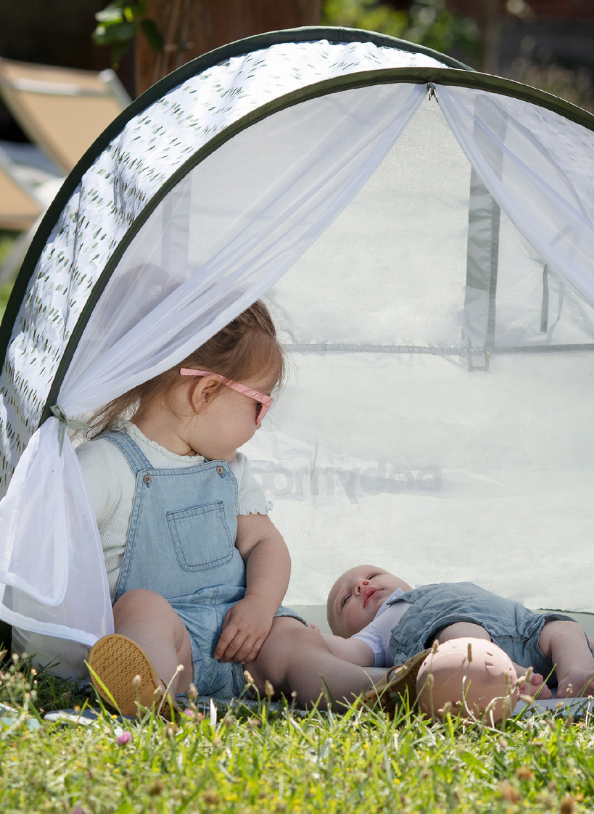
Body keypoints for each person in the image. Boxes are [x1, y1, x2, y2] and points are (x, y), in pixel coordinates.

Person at [81, 302, 384, 714]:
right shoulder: (107, 464)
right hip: (175, 642)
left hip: (248, 639)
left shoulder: (232, 471)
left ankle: (380, 688)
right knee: (139, 607)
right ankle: (158, 694)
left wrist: (259, 606)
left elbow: (264, 542)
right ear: (205, 391)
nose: (260, 423)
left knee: (293, 645)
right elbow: (50, 551)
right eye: (259, 405)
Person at [324, 566, 594, 698]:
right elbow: (345, 653)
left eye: (372, 575)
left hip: (524, 627)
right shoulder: (376, 631)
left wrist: (593, 643)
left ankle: (575, 673)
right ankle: (508, 677)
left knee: (564, 628)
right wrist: (312, 636)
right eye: (345, 599)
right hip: (464, 636)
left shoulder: (426, 588)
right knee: (461, 634)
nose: (361, 585)